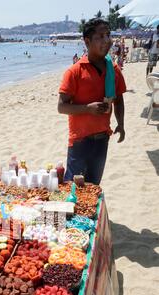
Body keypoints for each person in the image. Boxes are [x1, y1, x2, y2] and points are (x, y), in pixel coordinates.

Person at [58, 18, 126, 185]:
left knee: (94, 185)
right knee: (75, 188)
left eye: (108, 35)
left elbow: (119, 100)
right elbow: (61, 106)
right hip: (79, 142)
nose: (107, 41)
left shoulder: (113, 69)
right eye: (100, 36)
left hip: (103, 139)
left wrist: (121, 124)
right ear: (87, 41)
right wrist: (88, 108)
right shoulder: (75, 71)